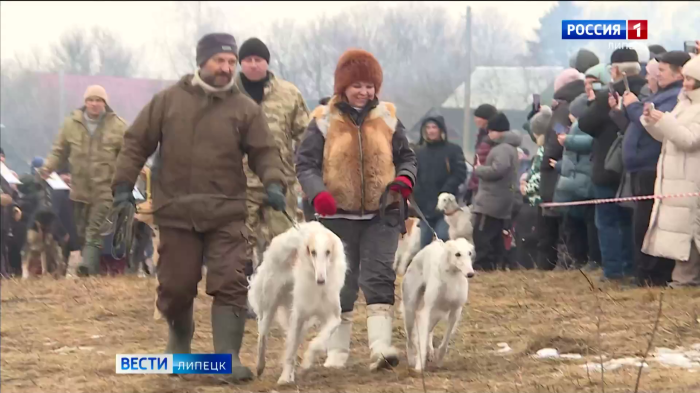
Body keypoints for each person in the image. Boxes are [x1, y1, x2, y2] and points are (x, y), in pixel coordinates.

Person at [111, 33, 287, 382]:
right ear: (201, 62)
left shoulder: (244, 109)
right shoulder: (167, 101)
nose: (226, 68)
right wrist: (121, 186)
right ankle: (178, 348)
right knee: (176, 285)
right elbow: (135, 143)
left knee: (231, 282)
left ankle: (227, 358)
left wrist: (273, 182)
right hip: (177, 211)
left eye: (231, 62)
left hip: (227, 211)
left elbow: (264, 151)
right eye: (219, 61)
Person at [295, 48, 416, 371]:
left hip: (382, 213)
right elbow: (305, 163)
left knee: (379, 276)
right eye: (357, 85)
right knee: (342, 282)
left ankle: (381, 348)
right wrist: (317, 193)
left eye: (369, 85)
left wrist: (404, 179)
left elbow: (407, 157)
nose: (364, 92)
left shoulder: (388, 116)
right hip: (335, 215)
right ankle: (338, 351)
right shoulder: (322, 119)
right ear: (343, 87)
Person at [234, 37, 310, 266]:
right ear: (241, 63)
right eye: (248, 60)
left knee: (284, 244)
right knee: (238, 244)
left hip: (280, 182)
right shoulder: (228, 94)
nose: (254, 64)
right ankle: (242, 293)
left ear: (267, 62)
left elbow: (306, 136)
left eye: (259, 59)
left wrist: (305, 176)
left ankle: (282, 295)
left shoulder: (289, 94)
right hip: (239, 184)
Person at [40, 85, 128, 277]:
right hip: (79, 189)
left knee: (94, 229)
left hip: (105, 188)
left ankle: (86, 267)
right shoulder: (71, 124)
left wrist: (127, 180)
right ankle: (93, 270)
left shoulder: (118, 126)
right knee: (80, 231)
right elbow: (59, 151)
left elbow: (128, 156)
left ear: (105, 103)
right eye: (90, 100)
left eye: (98, 100)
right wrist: (48, 167)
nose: (94, 104)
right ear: (85, 102)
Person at [619, 51, 691, 286]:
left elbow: (669, 129)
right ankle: (645, 272)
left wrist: (634, 108)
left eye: (661, 70)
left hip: (656, 168)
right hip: (648, 168)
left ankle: (651, 274)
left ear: (680, 72)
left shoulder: (675, 97)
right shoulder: (664, 95)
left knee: (650, 222)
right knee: (643, 222)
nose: (656, 75)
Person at [579, 48, 645, 283]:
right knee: (629, 220)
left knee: (607, 220)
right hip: (637, 166)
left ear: (615, 69)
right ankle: (630, 266)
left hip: (608, 167)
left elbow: (585, 123)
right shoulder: (647, 91)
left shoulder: (609, 95)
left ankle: (613, 270)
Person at [640, 54, 700, 287]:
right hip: (677, 180)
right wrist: (652, 122)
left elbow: (689, 139)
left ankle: (685, 281)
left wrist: (664, 120)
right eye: (684, 78)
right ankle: (683, 280)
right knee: (684, 234)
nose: (684, 83)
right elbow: (668, 138)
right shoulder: (684, 103)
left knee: (691, 233)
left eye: (689, 79)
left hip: (692, 180)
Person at [538, 68, 586, 270]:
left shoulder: (564, 108)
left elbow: (559, 132)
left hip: (558, 168)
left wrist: (548, 155)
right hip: (572, 168)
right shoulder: (580, 102)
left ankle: (562, 261)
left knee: (560, 219)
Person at [553, 94, 601, 270]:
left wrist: (568, 140)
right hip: (574, 180)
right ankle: (580, 258)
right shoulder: (574, 126)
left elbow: (591, 143)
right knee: (575, 221)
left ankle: (588, 258)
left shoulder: (583, 126)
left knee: (586, 222)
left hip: (583, 180)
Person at [471, 112, 521, 271]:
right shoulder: (509, 147)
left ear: (499, 131)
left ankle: (483, 265)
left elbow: (499, 169)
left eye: (491, 130)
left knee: (482, 234)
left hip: (491, 200)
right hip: (500, 199)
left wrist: (479, 170)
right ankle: (495, 264)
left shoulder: (502, 148)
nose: (489, 133)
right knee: (495, 235)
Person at [413, 113, 467, 249]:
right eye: (428, 127)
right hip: (424, 205)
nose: (431, 130)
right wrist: (416, 195)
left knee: (443, 239)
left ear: (441, 130)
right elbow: (413, 175)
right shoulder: (418, 151)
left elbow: (460, 173)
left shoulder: (453, 150)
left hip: (446, 205)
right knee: (423, 245)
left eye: (434, 127)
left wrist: (446, 191)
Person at [465, 104, 498, 205]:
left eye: (479, 117)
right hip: (477, 184)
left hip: (486, 187)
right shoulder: (481, 135)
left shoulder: (493, 138)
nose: (476, 120)